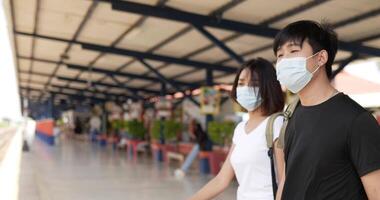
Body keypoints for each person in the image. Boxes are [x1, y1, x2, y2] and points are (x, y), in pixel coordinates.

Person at [273, 20, 380, 200]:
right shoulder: (292, 115)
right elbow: (286, 179)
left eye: (293, 51)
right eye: (279, 55)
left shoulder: (356, 120)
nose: (283, 61)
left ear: (321, 58)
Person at [189, 58, 285, 200]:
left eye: (254, 84)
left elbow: (286, 180)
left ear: (268, 87)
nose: (246, 88)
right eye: (241, 83)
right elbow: (221, 180)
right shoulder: (240, 130)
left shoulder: (277, 124)